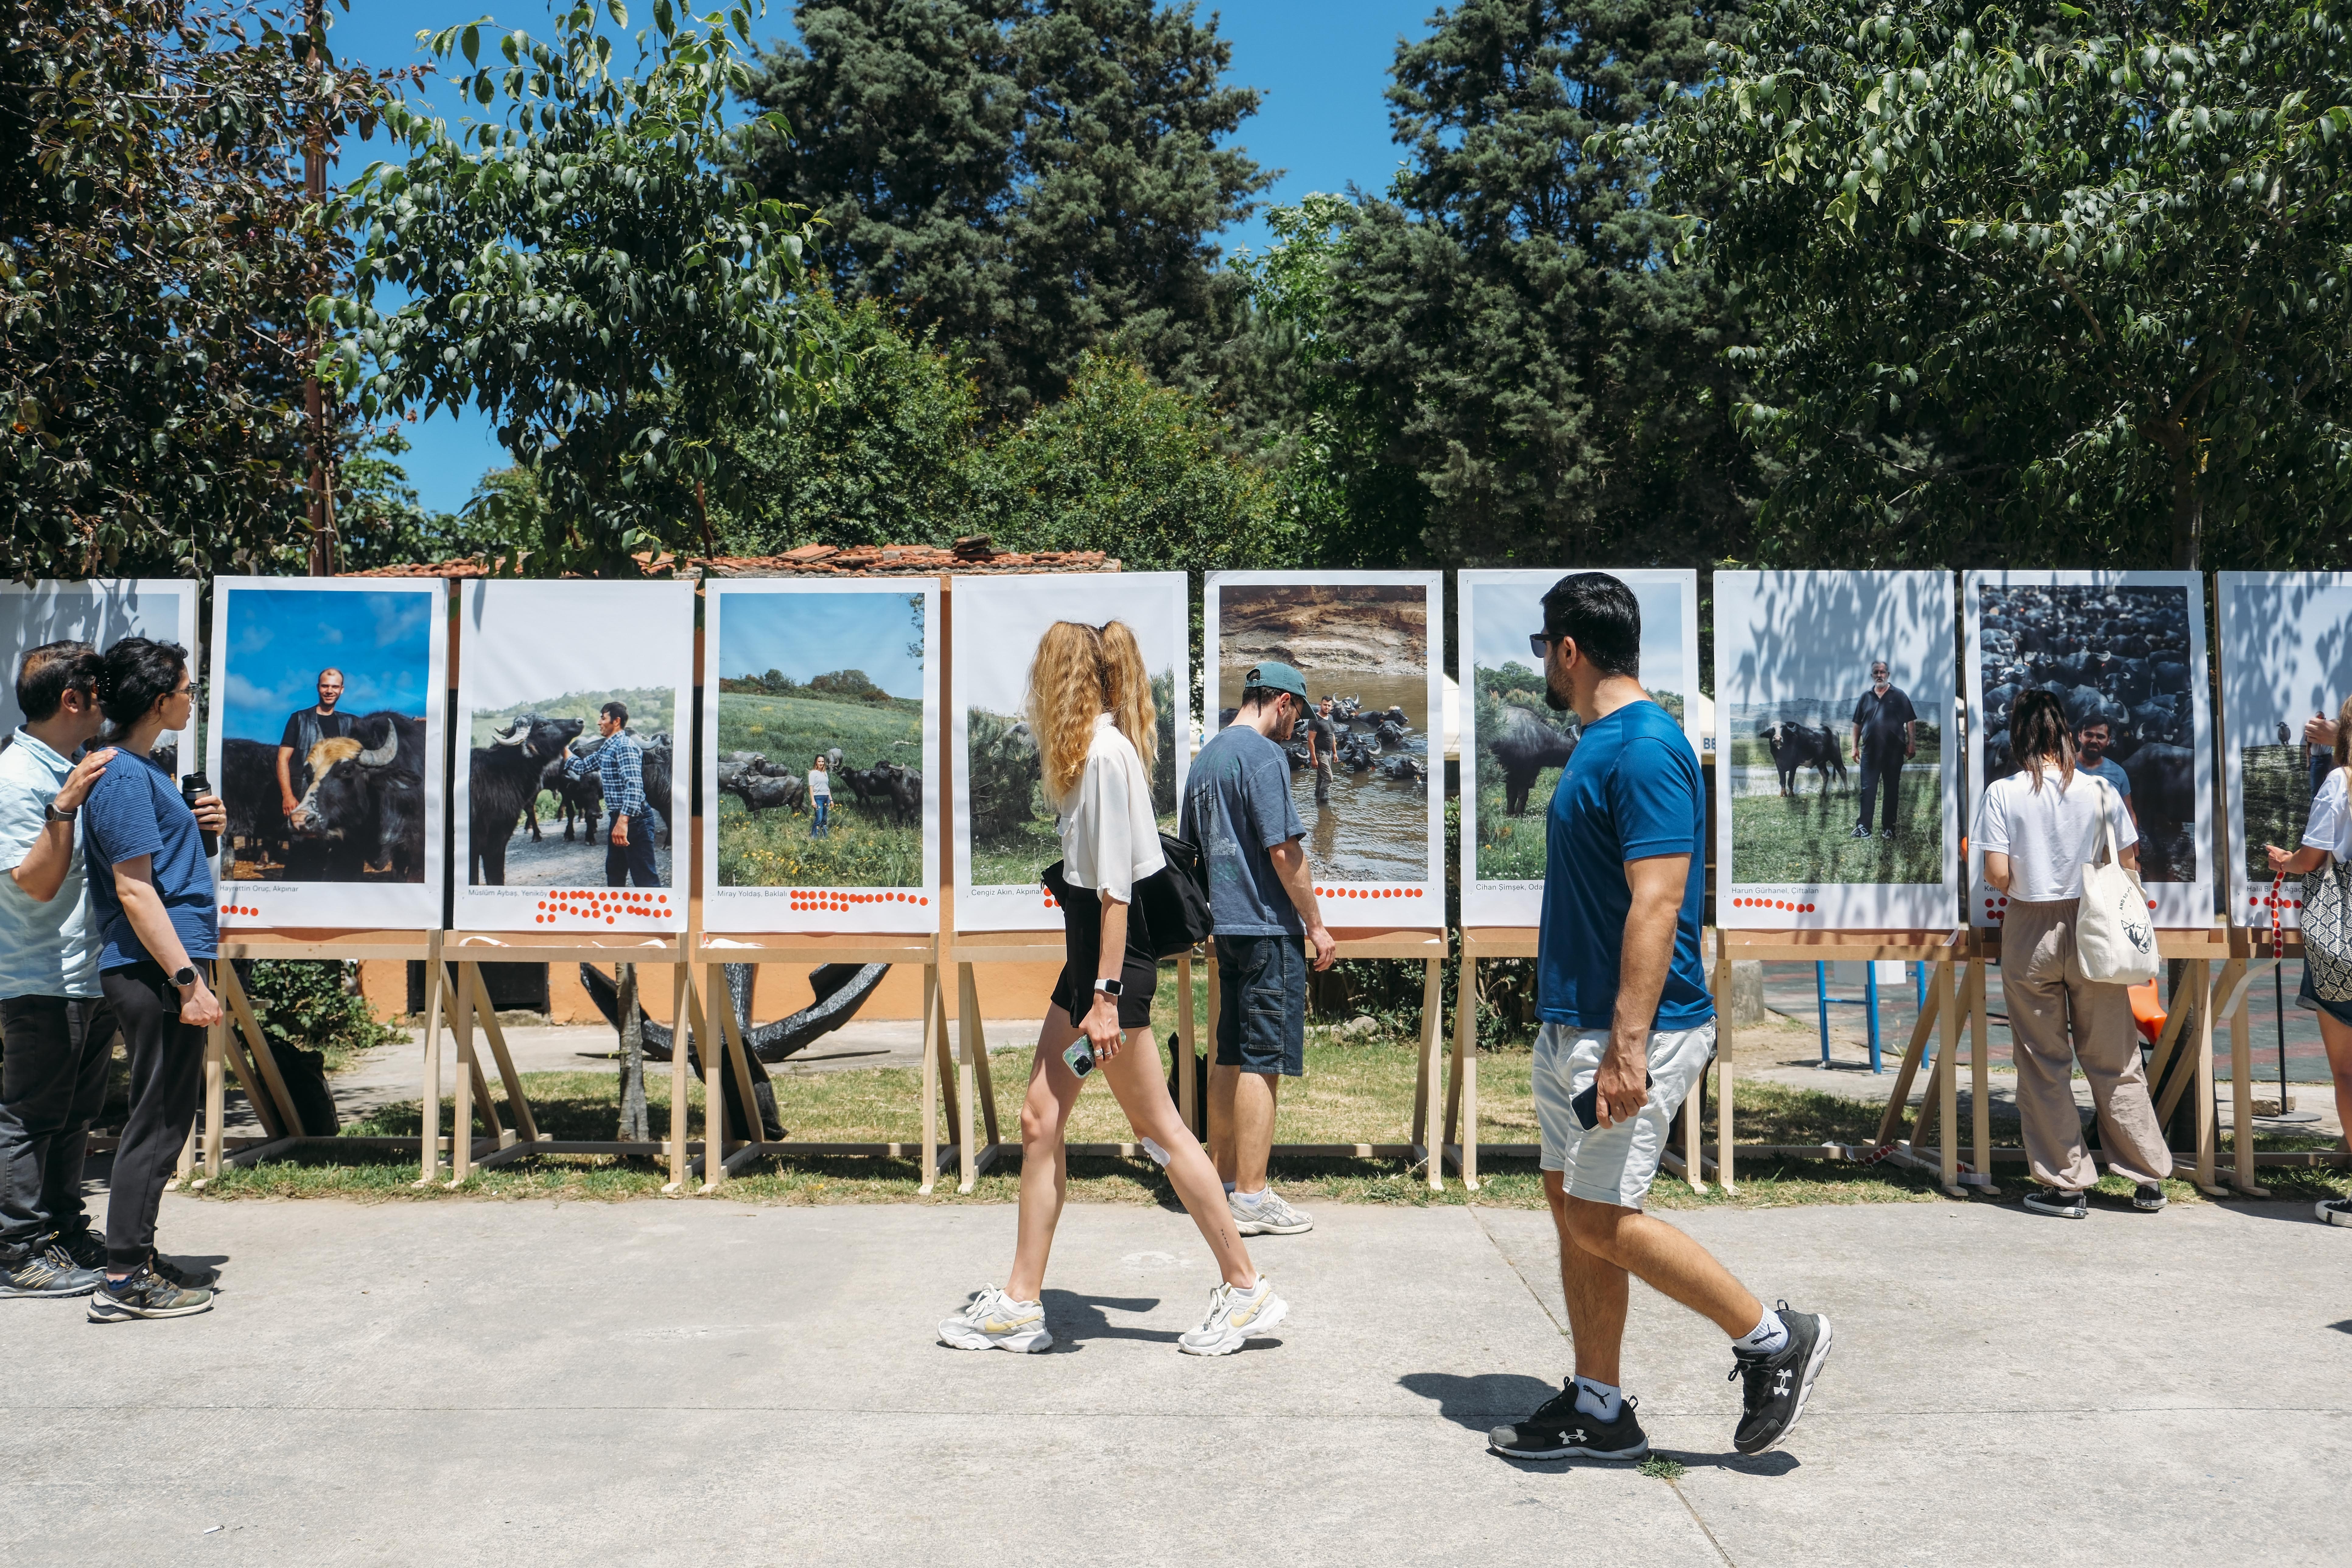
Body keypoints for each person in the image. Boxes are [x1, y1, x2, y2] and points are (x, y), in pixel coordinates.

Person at [1490, 573, 1832, 1463]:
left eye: (1543, 650)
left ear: (1569, 648)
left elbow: (1657, 902)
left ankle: (1769, 1337)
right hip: (1575, 1022)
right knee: (1573, 1204)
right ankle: (1598, 1404)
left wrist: (1625, 1049)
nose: (1544, 669)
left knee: (1603, 1218)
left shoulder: (1644, 748)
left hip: (1632, 1028)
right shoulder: (1601, 744)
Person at [940, 620, 1286, 1357]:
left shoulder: (1103, 756)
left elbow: (1117, 898)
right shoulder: (1095, 754)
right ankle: (1021, 1302)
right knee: (1040, 1120)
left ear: (1059, 680)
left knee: (1159, 1131)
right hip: (1090, 974)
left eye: (1040, 677)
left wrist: (1102, 1000)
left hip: (1110, 979)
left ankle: (1248, 1288)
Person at [1979, 688, 2172, 1219]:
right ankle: (2147, 1176)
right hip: (2098, 926)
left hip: (2030, 928)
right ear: (2065, 733)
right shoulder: (2102, 789)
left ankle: (2066, 1184)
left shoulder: (2003, 793)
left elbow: (1997, 876)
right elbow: (2129, 860)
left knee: (2042, 1063)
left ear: (2018, 735)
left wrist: (2034, 872)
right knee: (2114, 1058)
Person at [79, 637, 226, 1321]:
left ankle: (137, 1253)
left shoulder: (146, 769)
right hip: (153, 969)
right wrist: (187, 978)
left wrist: (206, 832)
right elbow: (134, 891)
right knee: (157, 1121)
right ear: (159, 698)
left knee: (166, 1118)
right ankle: (123, 1278)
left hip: (161, 966)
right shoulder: (121, 775)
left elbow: (161, 869)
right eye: (187, 689)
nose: (192, 698)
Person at [1181, 660, 1336, 1238]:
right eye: (1295, 713)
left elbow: (1192, 851)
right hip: (1269, 928)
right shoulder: (1264, 756)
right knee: (1262, 1060)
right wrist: (1316, 925)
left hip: (1226, 929)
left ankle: (1222, 1182)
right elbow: (1284, 851)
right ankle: (1251, 1194)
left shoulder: (1207, 759)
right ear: (1280, 702)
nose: (1294, 727)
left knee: (1229, 1052)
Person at [0, 643, 120, 1299]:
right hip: (39, 977)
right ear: (72, 700)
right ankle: (15, 1251)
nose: (106, 703)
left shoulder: (69, 764)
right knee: (30, 1116)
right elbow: (35, 884)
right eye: (98, 692)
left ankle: (62, 1230)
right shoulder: (18, 776)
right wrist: (65, 804)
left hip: (86, 971)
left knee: (76, 1113)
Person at [2267, 695, 2352, 1228]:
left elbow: (2310, 858)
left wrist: (2283, 859)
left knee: (2346, 1070)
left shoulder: (2340, 782)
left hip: (2343, 935)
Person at [564, 702, 657, 888]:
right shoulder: (609, 747)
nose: (599, 722)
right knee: (615, 873)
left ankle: (655, 916)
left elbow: (635, 787)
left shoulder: (625, 747)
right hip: (620, 818)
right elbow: (582, 767)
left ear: (616, 721)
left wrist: (623, 823)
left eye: (603, 718)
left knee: (645, 879)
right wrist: (562, 745)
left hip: (634, 821)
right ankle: (619, 915)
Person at [1849, 659, 1915, 840]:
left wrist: (1911, 744)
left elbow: (1910, 721)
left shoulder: (1899, 695)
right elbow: (1857, 723)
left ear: (1888, 675)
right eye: (1876, 672)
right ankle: (1864, 827)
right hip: (1870, 752)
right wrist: (1854, 747)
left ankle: (1889, 828)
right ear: (1872, 676)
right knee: (1867, 789)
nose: (1880, 675)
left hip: (1894, 753)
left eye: (1883, 672)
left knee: (1891, 790)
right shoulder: (1865, 697)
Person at [275, 667, 351, 821]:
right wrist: (288, 796)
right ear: (318, 688)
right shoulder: (299, 719)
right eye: (325, 686)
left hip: (338, 805)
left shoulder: (351, 723)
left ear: (342, 690)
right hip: (302, 799)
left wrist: (414, 724)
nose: (330, 691)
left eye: (335, 687)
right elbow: (282, 759)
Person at [2075, 719, 2137, 828]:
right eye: (2089, 735)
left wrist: (2136, 846)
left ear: (2108, 741)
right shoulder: (2062, 767)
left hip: (2104, 841)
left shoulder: (2118, 774)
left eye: (2100, 737)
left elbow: (2129, 815)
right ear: (2080, 736)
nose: (2094, 741)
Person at [1304, 695, 1339, 808]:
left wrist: (1335, 752)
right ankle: (1324, 804)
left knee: (1321, 777)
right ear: (1321, 705)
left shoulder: (1331, 718)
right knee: (1329, 778)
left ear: (1332, 707)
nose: (1327, 708)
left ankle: (1317, 800)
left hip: (1329, 753)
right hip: (1320, 753)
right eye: (1325, 705)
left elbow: (1332, 736)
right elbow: (1310, 740)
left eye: (1329, 706)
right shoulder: (1315, 720)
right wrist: (1314, 759)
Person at [809, 754, 831, 840]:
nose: (821, 763)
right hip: (818, 798)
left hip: (826, 798)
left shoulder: (825, 773)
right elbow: (811, 788)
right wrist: (813, 801)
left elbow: (827, 787)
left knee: (825, 820)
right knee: (819, 819)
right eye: (819, 762)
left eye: (823, 761)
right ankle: (814, 838)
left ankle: (825, 838)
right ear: (816, 763)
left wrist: (831, 799)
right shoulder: (813, 774)